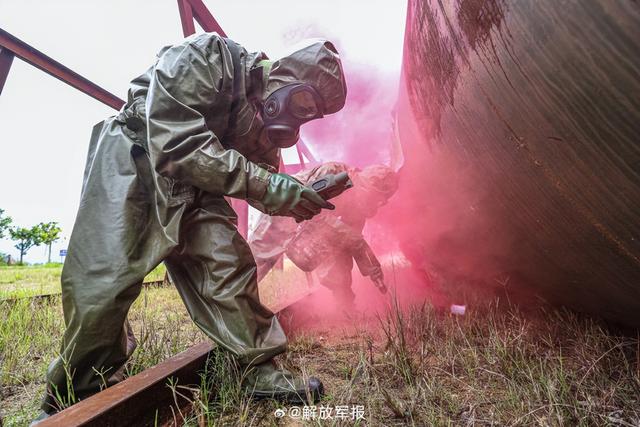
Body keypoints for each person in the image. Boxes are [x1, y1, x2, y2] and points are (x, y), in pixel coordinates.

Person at [36, 33, 347, 420]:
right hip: (138, 156)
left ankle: (259, 370)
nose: (299, 116)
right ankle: (75, 390)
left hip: (201, 184)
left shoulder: (262, 125)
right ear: (284, 73)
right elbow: (174, 139)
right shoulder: (210, 56)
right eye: (302, 102)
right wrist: (270, 185)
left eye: (310, 114)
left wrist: (298, 196)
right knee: (102, 283)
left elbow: (262, 180)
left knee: (227, 266)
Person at [250, 162, 398, 307]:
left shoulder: (359, 205)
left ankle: (344, 306)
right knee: (257, 262)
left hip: (313, 226)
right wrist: (352, 237)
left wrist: (371, 267)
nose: (376, 203)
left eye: (381, 201)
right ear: (367, 186)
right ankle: (232, 304)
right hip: (287, 208)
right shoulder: (333, 172)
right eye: (376, 197)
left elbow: (353, 244)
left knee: (340, 256)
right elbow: (314, 211)